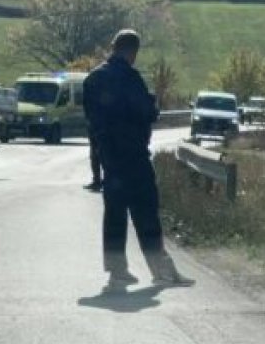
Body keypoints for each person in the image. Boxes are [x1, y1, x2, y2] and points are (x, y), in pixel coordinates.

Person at [83, 29, 194, 293]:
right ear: (133, 51)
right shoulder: (131, 79)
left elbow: (91, 119)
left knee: (114, 216)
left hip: (109, 157)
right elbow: (146, 113)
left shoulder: (93, 79)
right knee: (146, 212)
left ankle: (117, 272)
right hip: (134, 156)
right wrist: (151, 107)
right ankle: (161, 270)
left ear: (113, 46)